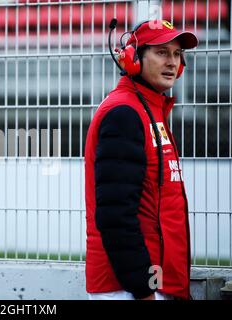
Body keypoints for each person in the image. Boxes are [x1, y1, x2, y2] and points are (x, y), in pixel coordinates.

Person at [84, 19, 198, 300]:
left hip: (151, 283)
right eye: (161, 52)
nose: (172, 62)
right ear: (134, 58)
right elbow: (116, 214)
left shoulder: (148, 108)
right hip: (132, 288)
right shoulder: (125, 113)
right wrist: (143, 288)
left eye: (176, 54)